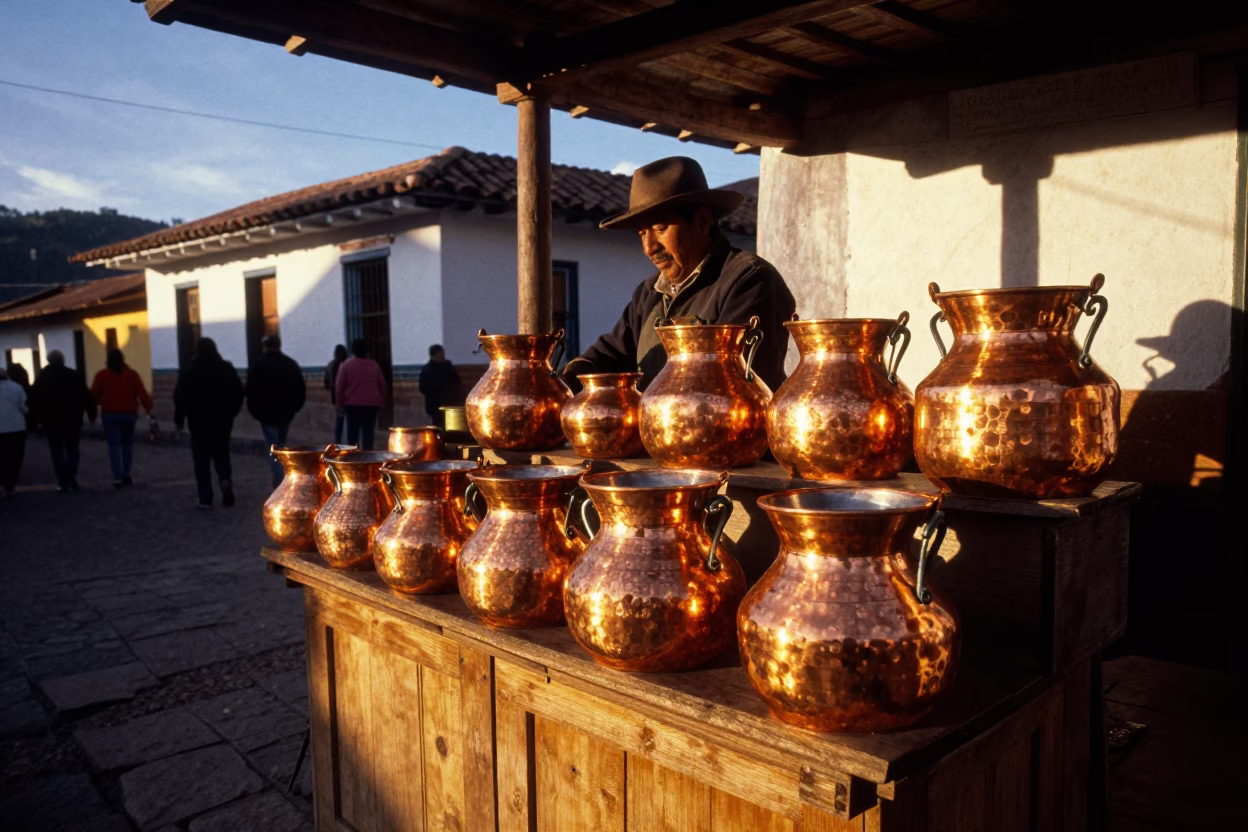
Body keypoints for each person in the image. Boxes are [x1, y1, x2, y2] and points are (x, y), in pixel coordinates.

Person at [563, 157, 796, 393]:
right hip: (657, 427)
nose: (649, 247)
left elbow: (737, 386)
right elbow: (608, 356)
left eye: (660, 228)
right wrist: (560, 385)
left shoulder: (750, 281)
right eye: (642, 233)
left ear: (702, 222)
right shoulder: (648, 294)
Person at [174, 337, 244, 509]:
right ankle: (225, 480)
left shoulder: (189, 371)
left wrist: (179, 420)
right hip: (222, 421)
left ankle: (205, 498)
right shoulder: (226, 368)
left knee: (201, 461)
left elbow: (180, 398)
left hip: (198, 423)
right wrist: (232, 412)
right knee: (222, 454)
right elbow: (239, 391)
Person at [29, 350, 96, 492]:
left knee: (57, 451)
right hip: (72, 418)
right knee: (73, 448)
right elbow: (86, 395)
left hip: (51, 420)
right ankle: (70, 476)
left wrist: (33, 421)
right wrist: (92, 413)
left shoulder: (42, 377)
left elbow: (34, 399)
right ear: (63, 360)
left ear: (49, 360)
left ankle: (62, 480)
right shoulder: (74, 375)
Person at [245, 335, 307, 487]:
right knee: (281, 443)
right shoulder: (290, 364)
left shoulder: (257, 366)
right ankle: (283, 473)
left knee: (273, 446)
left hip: (266, 413)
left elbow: (250, 391)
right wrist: (295, 409)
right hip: (286, 412)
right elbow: (300, 388)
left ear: (265, 347)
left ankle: (279, 476)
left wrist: (256, 412)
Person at [91, 348, 153, 488]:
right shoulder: (132, 375)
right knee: (127, 444)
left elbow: (93, 396)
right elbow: (142, 394)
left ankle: (117, 476)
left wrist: (92, 414)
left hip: (110, 414)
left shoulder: (102, 375)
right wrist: (149, 410)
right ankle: (127, 474)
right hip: (129, 414)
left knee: (114, 445)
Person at [335, 338, 386, 450]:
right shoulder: (374, 365)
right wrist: (381, 401)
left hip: (352, 405)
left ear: (352, 350)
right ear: (367, 350)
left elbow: (339, 387)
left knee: (352, 435)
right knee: (368, 434)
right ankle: (368, 459)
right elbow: (382, 385)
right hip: (371, 405)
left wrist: (339, 405)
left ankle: (353, 460)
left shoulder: (346, 366)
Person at [0, 366, 28, 496]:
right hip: (15, 426)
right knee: (14, 456)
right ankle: (10, 483)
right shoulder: (16, 387)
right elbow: (24, 407)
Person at [418, 344, 461, 429]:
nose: (442, 355)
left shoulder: (448, 367)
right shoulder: (427, 370)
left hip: (450, 404)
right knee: (438, 427)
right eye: (440, 353)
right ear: (435, 355)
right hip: (435, 405)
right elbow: (423, 388)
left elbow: (457, 383)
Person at [324, 344, 348, 444]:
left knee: (339, 419)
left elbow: (326, 381)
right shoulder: (348, 364)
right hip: (349, 397)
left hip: (336, 396)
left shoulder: (331, 365)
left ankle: (337, 441)